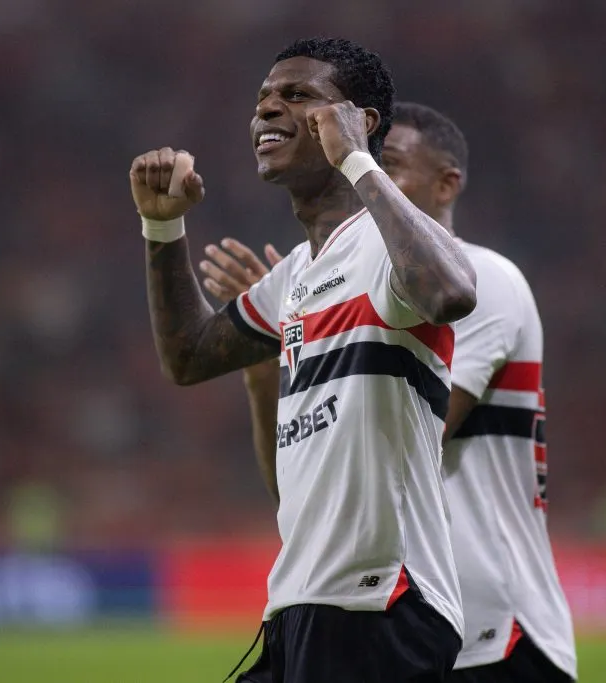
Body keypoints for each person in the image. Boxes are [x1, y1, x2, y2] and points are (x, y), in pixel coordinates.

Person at [130, 38, 476, 683]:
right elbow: (189, 357)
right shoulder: (294, 276)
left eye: (296, 96)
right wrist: (163, 229)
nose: (268, 109)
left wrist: (356, 161)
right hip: (299, 604)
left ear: (358, 120)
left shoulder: (386, 246)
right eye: (263, 98)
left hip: (380, 604)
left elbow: (452, 293)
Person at [201, 102, 578, 683]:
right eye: (365, 159)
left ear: (448, 183)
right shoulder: (357, 285)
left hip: (496, 638)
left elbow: (394, 430)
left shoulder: (483, 279)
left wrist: (309, 341)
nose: (365, 174)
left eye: (390, 163)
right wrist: (270, 364)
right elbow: (307, 490)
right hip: (403, 625)